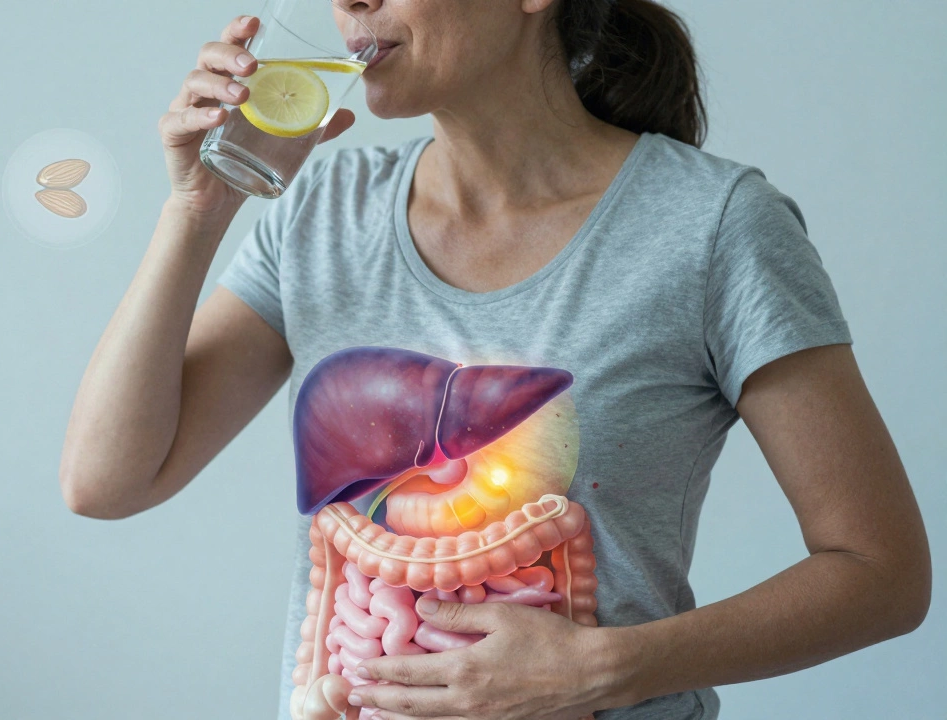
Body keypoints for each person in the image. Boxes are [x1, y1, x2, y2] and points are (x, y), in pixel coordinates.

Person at [58, 0, 932, 718]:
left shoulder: (714, 227)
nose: (350, 4)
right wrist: (199, 209)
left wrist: (605, 669)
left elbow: (881, 573)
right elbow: (107, 481)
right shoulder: (324, 211)